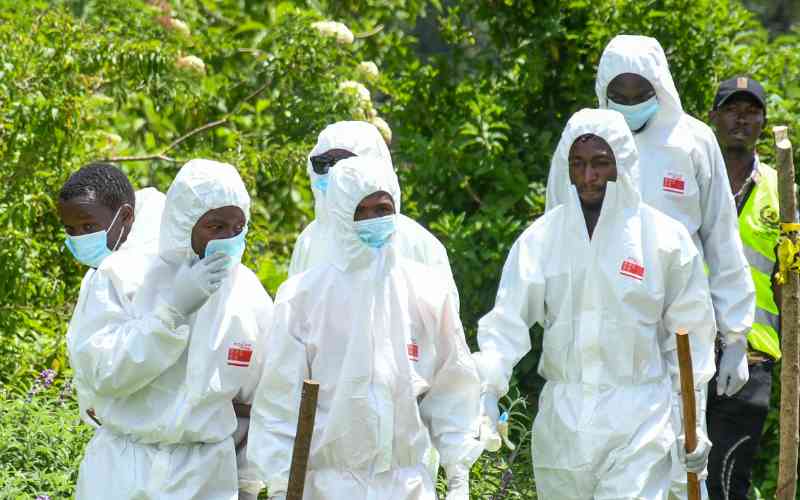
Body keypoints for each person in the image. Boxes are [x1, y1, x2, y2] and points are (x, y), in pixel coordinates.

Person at [546, 35, 756, 499]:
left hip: (679, 329)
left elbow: (721, 239)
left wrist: (737, 334)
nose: (628, 103)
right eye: (617, 95)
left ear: (659, 89)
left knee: (684, 460)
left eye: (638, 94)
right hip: (606, 326)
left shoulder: (694, 141)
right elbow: (553, 233)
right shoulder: (583, 141)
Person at [476, 108, 715, 499]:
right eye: (578, 164)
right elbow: (507, 323)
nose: (589, 177)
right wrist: (486, 386)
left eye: (601, 164)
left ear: (623, 163)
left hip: (640, 421)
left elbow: (691, 346)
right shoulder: (543, 239)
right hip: (563, 425)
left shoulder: (663, 241)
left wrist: (693, 425)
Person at [249, 156, 482, 500]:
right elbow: (279, 406)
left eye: (383, 208)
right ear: (342, 214)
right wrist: (284, 484)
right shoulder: (302, 298)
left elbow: (453, 387)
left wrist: (458, 474)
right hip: (329, 487)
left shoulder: (426, 292)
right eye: (363, 211)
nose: (376, 220)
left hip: (408, 486)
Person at [67, 159, 273, 500]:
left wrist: (249, 481)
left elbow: (262, 399)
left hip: (206, 478)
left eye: (238, 227)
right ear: (184, 222)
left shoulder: (247, 294)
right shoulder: (123, 277)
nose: (228, 239)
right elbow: (103, 375)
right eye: (216, 226)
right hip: (124, 471)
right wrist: (171, 314)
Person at [706, 76, 779, 500]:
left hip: (752, 357)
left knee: (729, 479)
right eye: (733, 108)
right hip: (684, 349)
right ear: (714, 117)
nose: (742, 118)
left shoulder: (779, 187)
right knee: (673, 471)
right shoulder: (693, 176)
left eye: (752, 111)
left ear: (763, 123)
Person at [288, 121, 456, 297]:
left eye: (344, 162)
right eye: (323, 163)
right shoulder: (308, 241)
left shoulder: (417, 243)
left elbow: (444, 316)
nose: (334, 172)